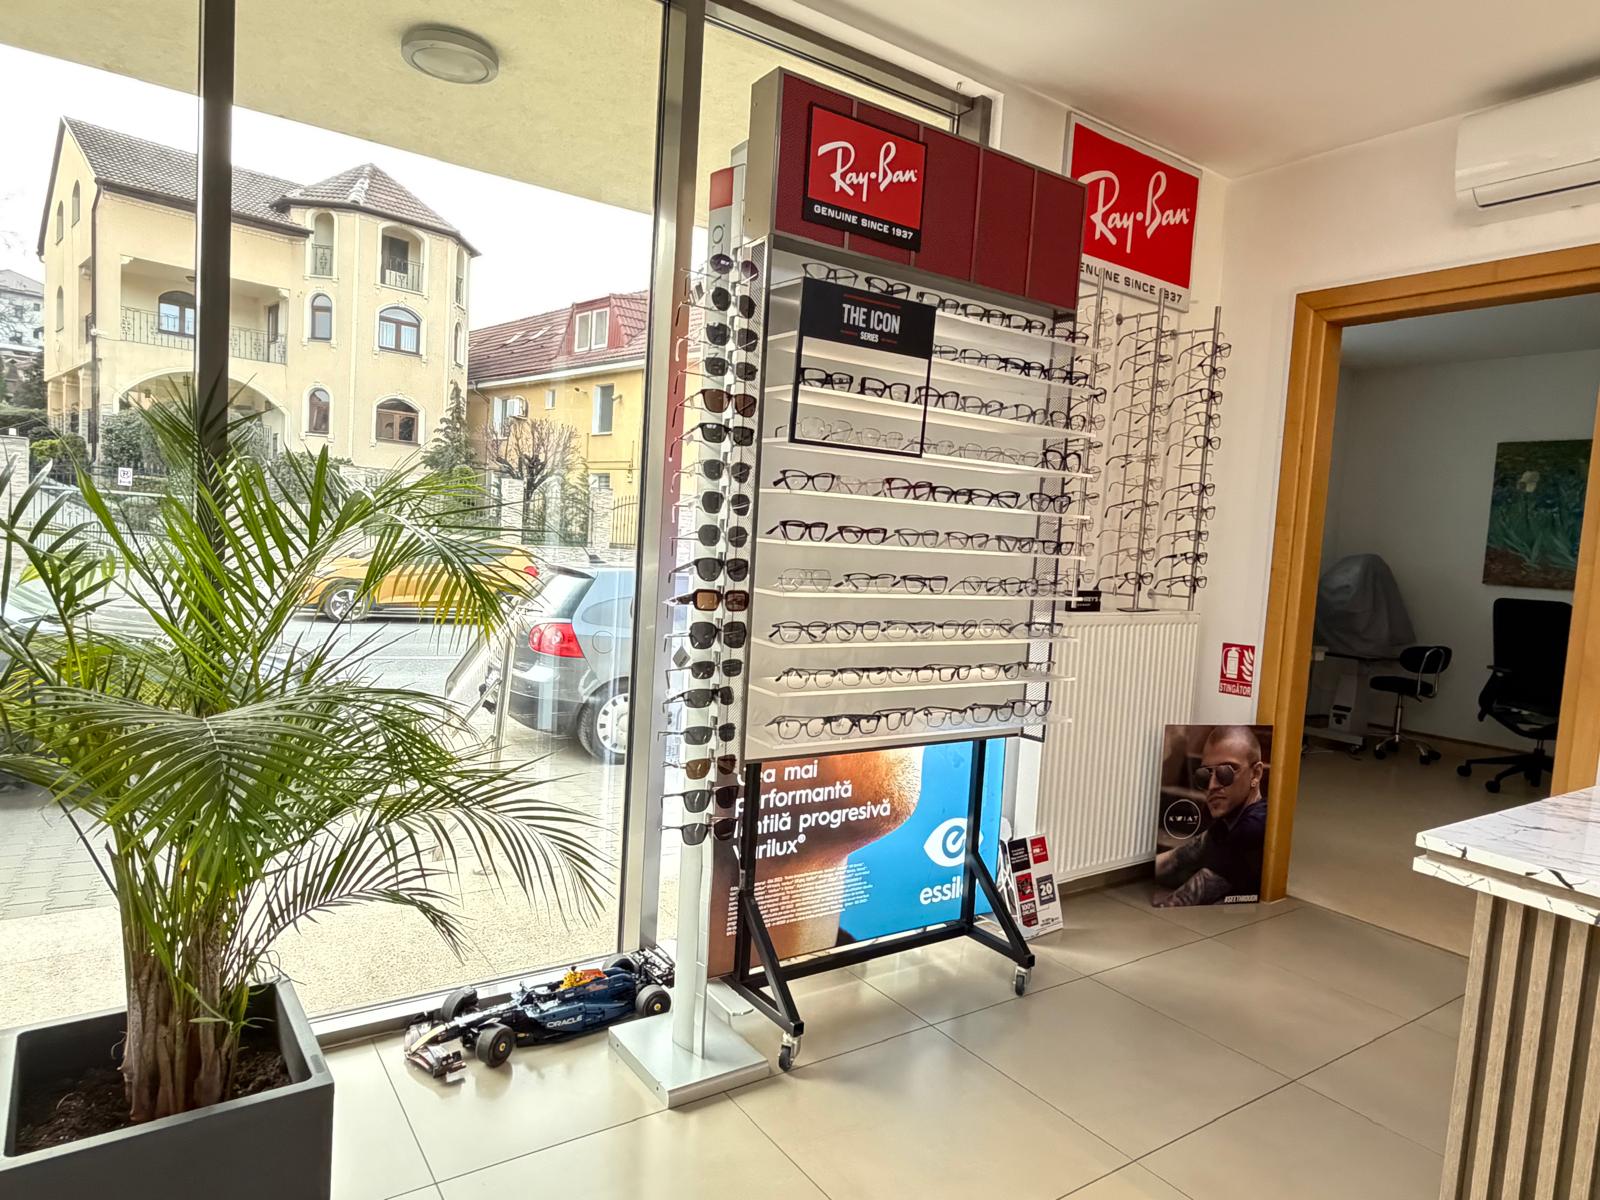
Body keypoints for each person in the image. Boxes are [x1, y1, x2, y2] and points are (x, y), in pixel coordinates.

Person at [1153, 725, 1268, 905]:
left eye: (1227, 772)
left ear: (1256, 773)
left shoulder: (1253, 827)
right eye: (1204, 775)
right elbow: (1173, 860)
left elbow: (1183, 900)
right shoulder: (1228, 822)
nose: (1212, 785)